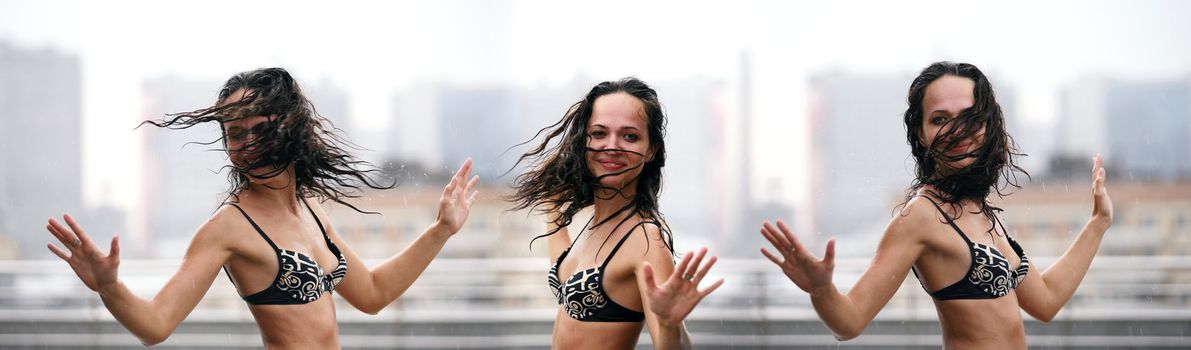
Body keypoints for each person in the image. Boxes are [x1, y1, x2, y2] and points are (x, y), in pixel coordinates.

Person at [45, 67, 479, 348]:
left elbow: (372, 294)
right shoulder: (228, 227)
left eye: (261, 128)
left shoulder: (310, 211)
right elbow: (156, 324)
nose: (248, 142)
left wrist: (440, 229)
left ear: (291, 126)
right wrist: (109, 288)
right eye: (235, 133)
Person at [759, 62, 1113, 349]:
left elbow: (1046, 301)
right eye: (940, 119)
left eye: (969, 117)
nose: (957, 131)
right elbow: (850, 322)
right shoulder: (920, 217)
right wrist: (822, 290)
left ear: (987, 125)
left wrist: (1097, 222)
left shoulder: (980, 210)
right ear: (920, 134)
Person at [507, 77, 723, 349]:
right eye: (599, 133)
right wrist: (553, 209)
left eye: (629, 136)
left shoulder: (645, 239)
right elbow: (566, 271)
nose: (612, 145)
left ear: (651, 151)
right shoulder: (594, 226)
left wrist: (670, 324)